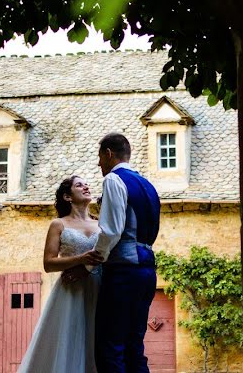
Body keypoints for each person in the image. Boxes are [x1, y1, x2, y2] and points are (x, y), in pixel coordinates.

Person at [66, 132, 161, 372]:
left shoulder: (113, 180)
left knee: (110, 347)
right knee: (134, 347)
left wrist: (88, 265)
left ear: (108, 154)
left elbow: (110, 231)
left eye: (100, 158)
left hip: (123, 271)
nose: (99, 165)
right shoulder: (147, 185)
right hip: (147, 270)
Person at [18, 175, 105, 373]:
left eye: (86, 184)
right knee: (69, 341)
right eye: (79, 185)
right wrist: (80, 259)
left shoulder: (101, 224)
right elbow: (49, 263)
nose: (86, 187)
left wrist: (86, 267)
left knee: (96, 342)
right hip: (70, 292)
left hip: (99, 287)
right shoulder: (58, 224)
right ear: (67, 197)